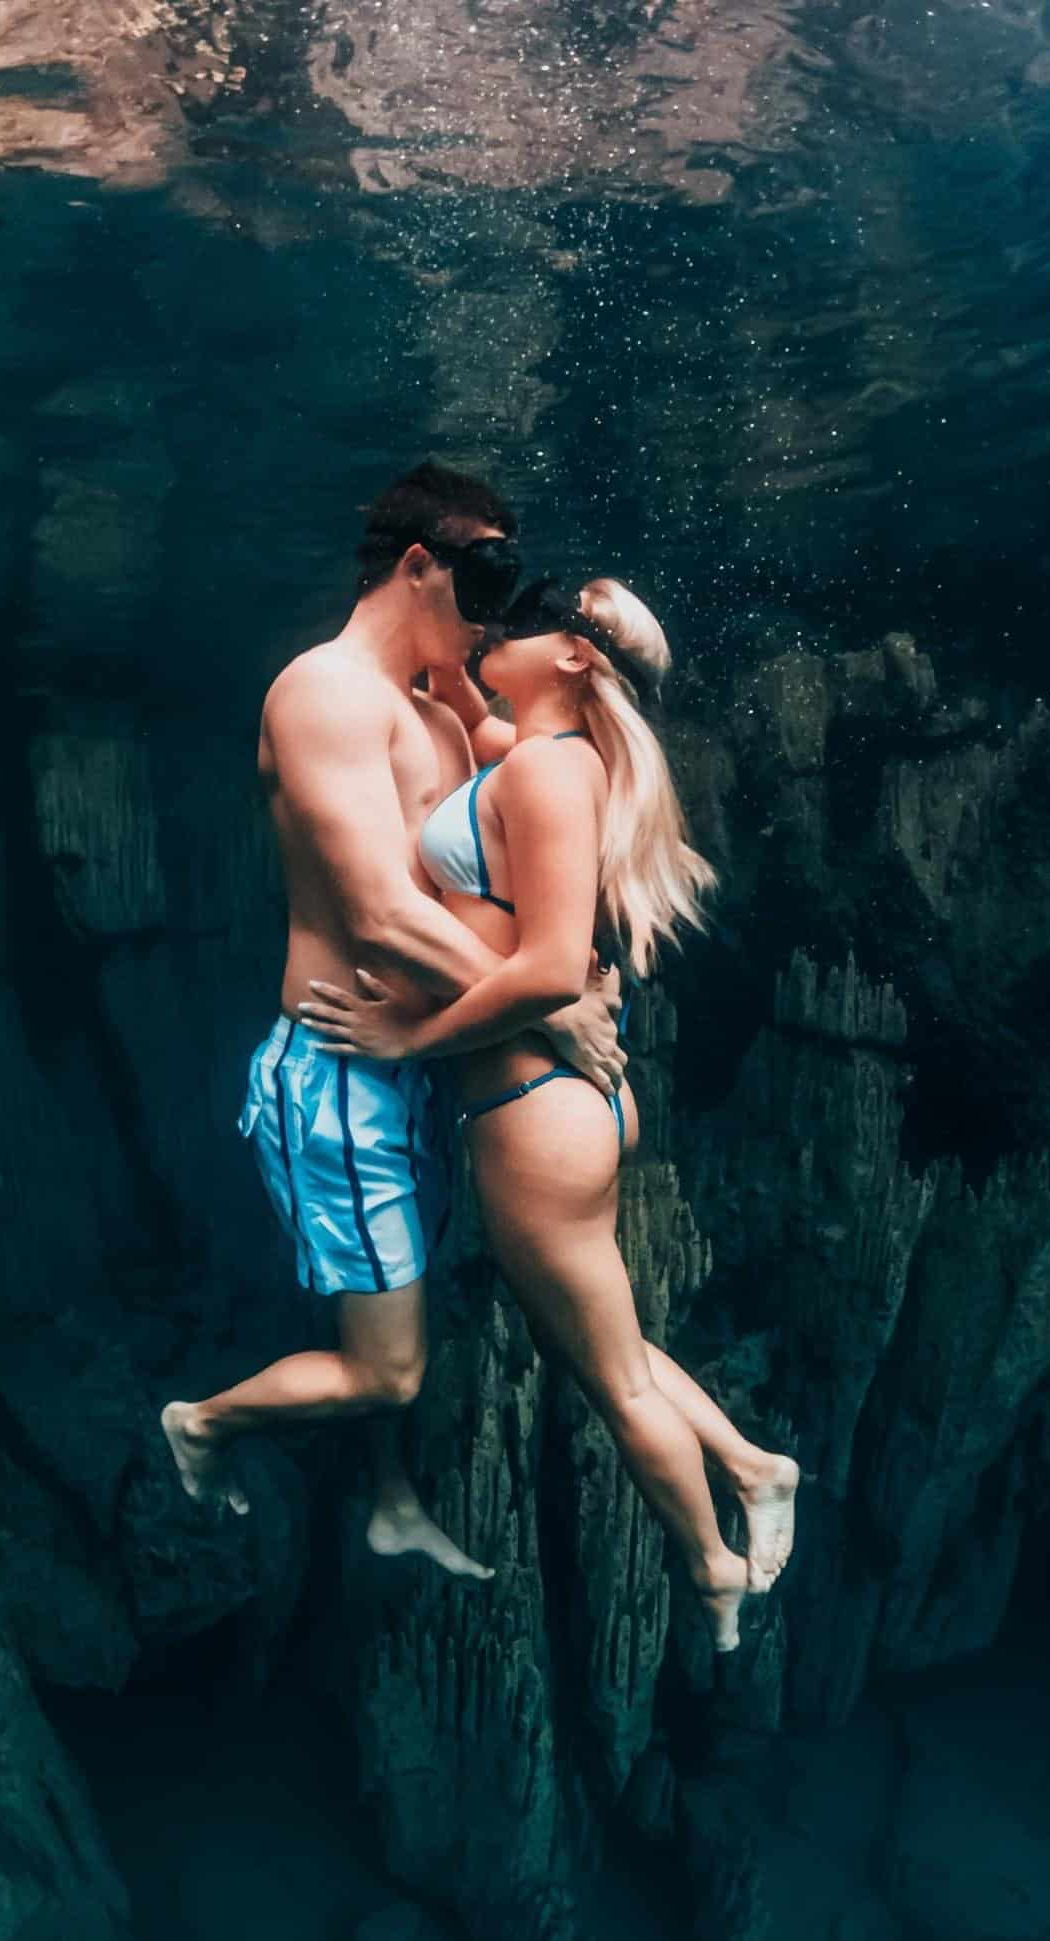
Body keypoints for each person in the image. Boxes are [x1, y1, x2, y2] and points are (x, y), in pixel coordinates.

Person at [297, 575, 799, 1649]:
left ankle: (711, 1562)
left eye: (520, 617)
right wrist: (435, 631)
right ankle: (754, 1466)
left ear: (573, 657)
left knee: (611, 1375)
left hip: (532, 1108)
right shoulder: (535, 755)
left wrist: (410, 1038)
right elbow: (463, 694)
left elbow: (548, 972)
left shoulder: (546, 775)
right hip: (558, 1107)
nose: (494, 627)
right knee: (604, 1337)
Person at [161, 464, 626, 1579]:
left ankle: (390, 1493)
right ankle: (203, 1423)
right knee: (391, 1369)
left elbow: (555, 786)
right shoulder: (322, 693)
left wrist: (480, 685)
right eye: (482, 573)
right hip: (339, 1066)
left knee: (406, 1305)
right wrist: (551, 1007)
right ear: (418, 563)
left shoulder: (436, 712)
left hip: (417, 1061)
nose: (495, 604)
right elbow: (378, 911)